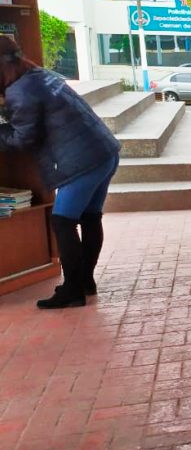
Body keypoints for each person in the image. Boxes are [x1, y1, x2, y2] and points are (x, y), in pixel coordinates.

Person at [0, 36, 121, 309]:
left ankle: (73, 289)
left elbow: (22, 138)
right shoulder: (39, 75)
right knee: (90, 217)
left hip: (82, 161)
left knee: (63, 221)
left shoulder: (21, 91)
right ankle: (85, 282)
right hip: (103, 152)